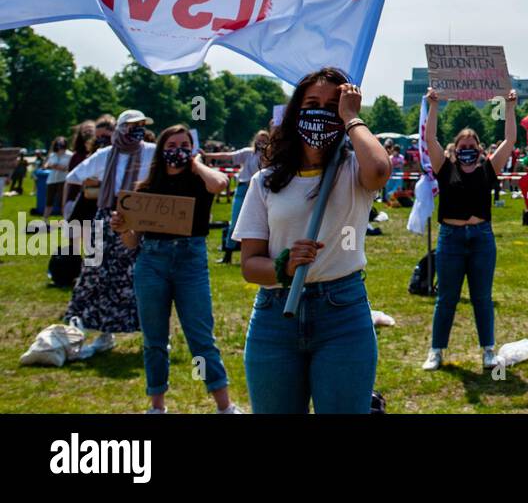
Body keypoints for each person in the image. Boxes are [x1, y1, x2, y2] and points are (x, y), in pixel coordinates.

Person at [233, 68, 390, 413]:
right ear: (295, 112)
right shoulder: (265, 181)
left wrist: (351, 117)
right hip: (276, 317)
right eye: (312, 103)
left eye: (332, 105)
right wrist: (283, 265)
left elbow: (380, 171)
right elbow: (249, 265)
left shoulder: (352, 170)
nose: (322, 111)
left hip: (342, 314)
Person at [109, 124, 241, 414]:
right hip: (151, 264)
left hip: (190, 264)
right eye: (171, 146)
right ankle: (157, 405)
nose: (177, 151)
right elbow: (132, 243)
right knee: (154, 339)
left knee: (201, 337)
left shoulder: (199, 182)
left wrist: (195, 162)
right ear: (161, 150)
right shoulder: (146, 188)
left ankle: (224, 406)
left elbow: (220, 185)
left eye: (184, 145)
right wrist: (122, 228)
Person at [421, 86, 518, 370]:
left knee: (482, 298)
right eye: (462, 147)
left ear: (479, 148)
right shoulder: (444, 167)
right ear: (455, 149)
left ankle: (488, 350)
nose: (467, 151)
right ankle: (436, 350)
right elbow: (430, 138)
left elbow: (510, 139)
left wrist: (510, 107)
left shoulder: (488, 168)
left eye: (471, 147)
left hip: (481, 238)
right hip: (450, 239)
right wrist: (434, 105)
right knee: (446, 298)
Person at [62, 109, 156, 356]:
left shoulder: (150, 151)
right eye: (133, 125)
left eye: (141, 125)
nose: (137, 130)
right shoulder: (105, 155)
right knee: (97, 273)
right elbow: (74, 177)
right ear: (122, 128)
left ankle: (154, 335)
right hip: (106, 217)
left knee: (138, 275)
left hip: (138, 216)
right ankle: (104, 334)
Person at [205, 131, 270, 265]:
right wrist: (208, 155)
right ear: (255, 140)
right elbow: (227, 156)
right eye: (259, 140)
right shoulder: (247, 153)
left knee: (263, 224)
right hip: (243, 189)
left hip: (262, 190)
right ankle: (227, 255)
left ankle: (262, 255)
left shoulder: (270, 156)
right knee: (235, 222)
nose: (261, 143)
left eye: (264, 140)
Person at [42, 137, 71, 225]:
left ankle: (65, 221)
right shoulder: (52, 154)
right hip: (52, 180)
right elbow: (46, 165)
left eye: (61, 144)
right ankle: (45, 221)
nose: (60, 146)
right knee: (49, 201)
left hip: (63, 180)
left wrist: (58, 167)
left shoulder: (69, 155)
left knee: (62, 202)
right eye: (58, 144)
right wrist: (50, 165)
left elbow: (69, 168)